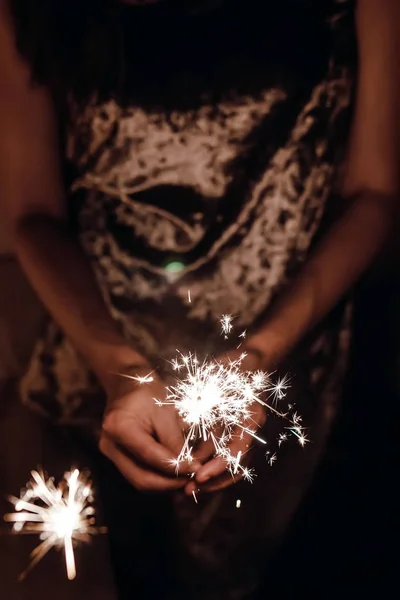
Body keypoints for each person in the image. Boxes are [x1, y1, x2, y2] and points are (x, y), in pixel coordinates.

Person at [0, 0, 398, 598]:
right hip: (97, 367)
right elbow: (31, 213)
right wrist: (122, 372)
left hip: (304, 357)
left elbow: (373, 192)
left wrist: (258, 356)